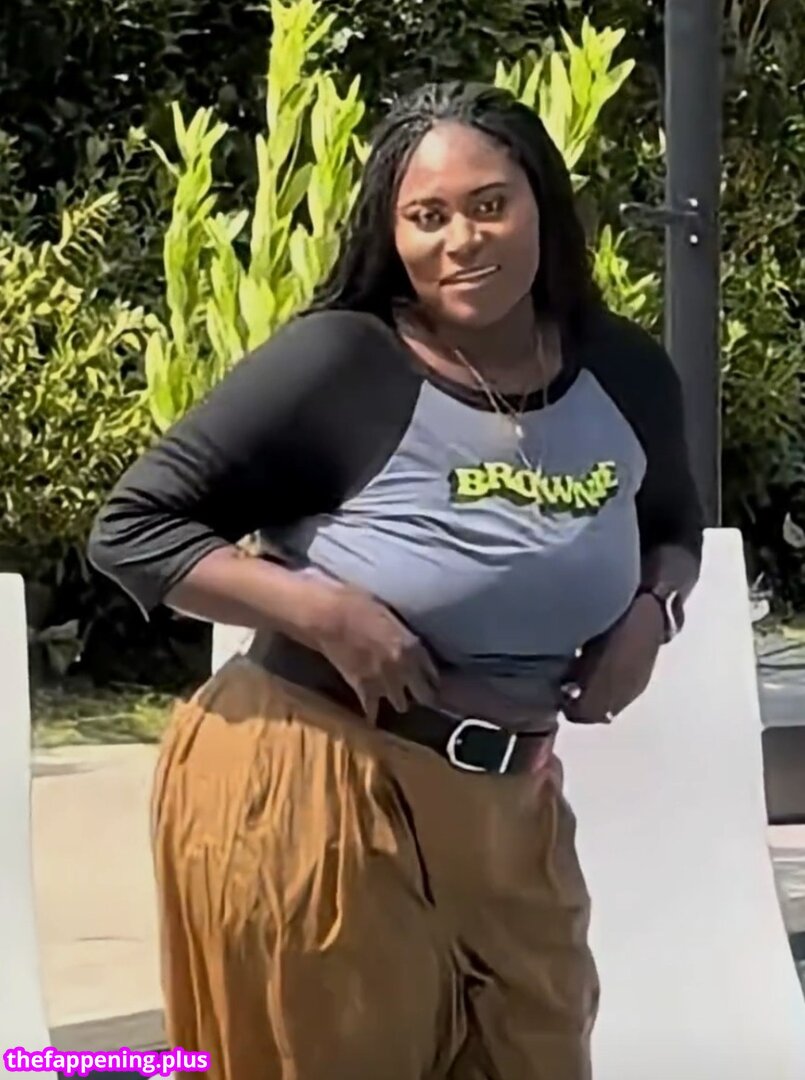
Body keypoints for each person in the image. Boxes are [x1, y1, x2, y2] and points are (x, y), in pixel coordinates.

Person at [88, 80, 704, 1080]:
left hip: (509, 806)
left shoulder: (623, 372)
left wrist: (654, 612)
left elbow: (672, 526)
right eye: (427, 216)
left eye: (489, 204)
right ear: (393, 233)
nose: (461, 239)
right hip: (317, 785)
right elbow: (132, 528)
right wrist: (323, 612)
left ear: (542, 204)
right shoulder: (342, 364)